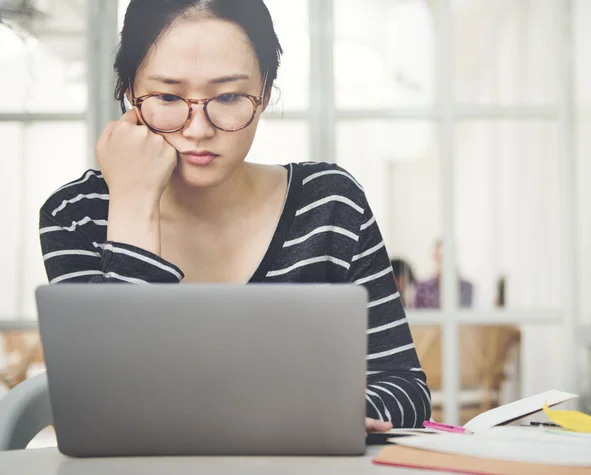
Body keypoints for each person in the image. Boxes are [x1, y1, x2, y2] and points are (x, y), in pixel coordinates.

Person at [38, 0, 431, 432]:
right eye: (168, 96)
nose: (199, 128)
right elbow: (106, 406)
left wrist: (320, 414)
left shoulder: (331, 205)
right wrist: (133, 204)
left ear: (264, 92)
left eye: (227, 96)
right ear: (130, 92)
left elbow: (404, 389)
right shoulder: (76, 214)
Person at [414, 240, 474, 308]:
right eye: (439, 257)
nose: (442, 261)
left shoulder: (466, 287)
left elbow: (464, 313)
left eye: (446, 257)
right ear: (435, 257)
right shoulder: (422, 287)